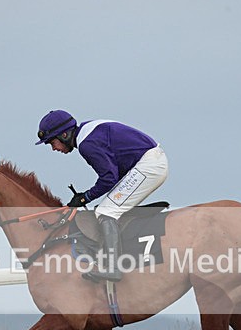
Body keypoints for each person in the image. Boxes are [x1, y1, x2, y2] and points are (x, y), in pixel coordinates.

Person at [35, 110, 168, 282]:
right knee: (105, 208)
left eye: (52, 142)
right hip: (148, 162)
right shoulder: (86, 132)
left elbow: (109, 179)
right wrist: (86, 196)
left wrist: (85, 197)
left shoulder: (86, 144)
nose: (54, 149)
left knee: (106, 212)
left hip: (149, 166)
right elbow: (113, 174)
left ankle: (113, 268)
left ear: (64, 135)